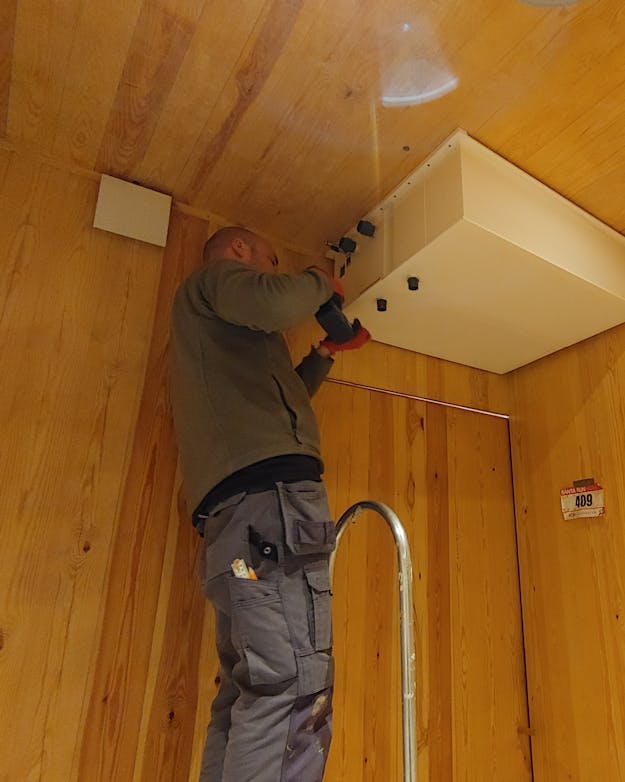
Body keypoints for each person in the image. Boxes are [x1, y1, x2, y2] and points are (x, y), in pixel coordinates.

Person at [169, 226, 370, 782]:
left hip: (240, 526)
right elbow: (276, 303)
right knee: (291, 687)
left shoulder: (223, 334)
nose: (277, 272)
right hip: (269, 508)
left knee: (251, 690)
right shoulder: (216, 281)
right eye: (273, 260)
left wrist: (324, 354)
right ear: (240, 250)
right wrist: (320, 279)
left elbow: (280, 400)